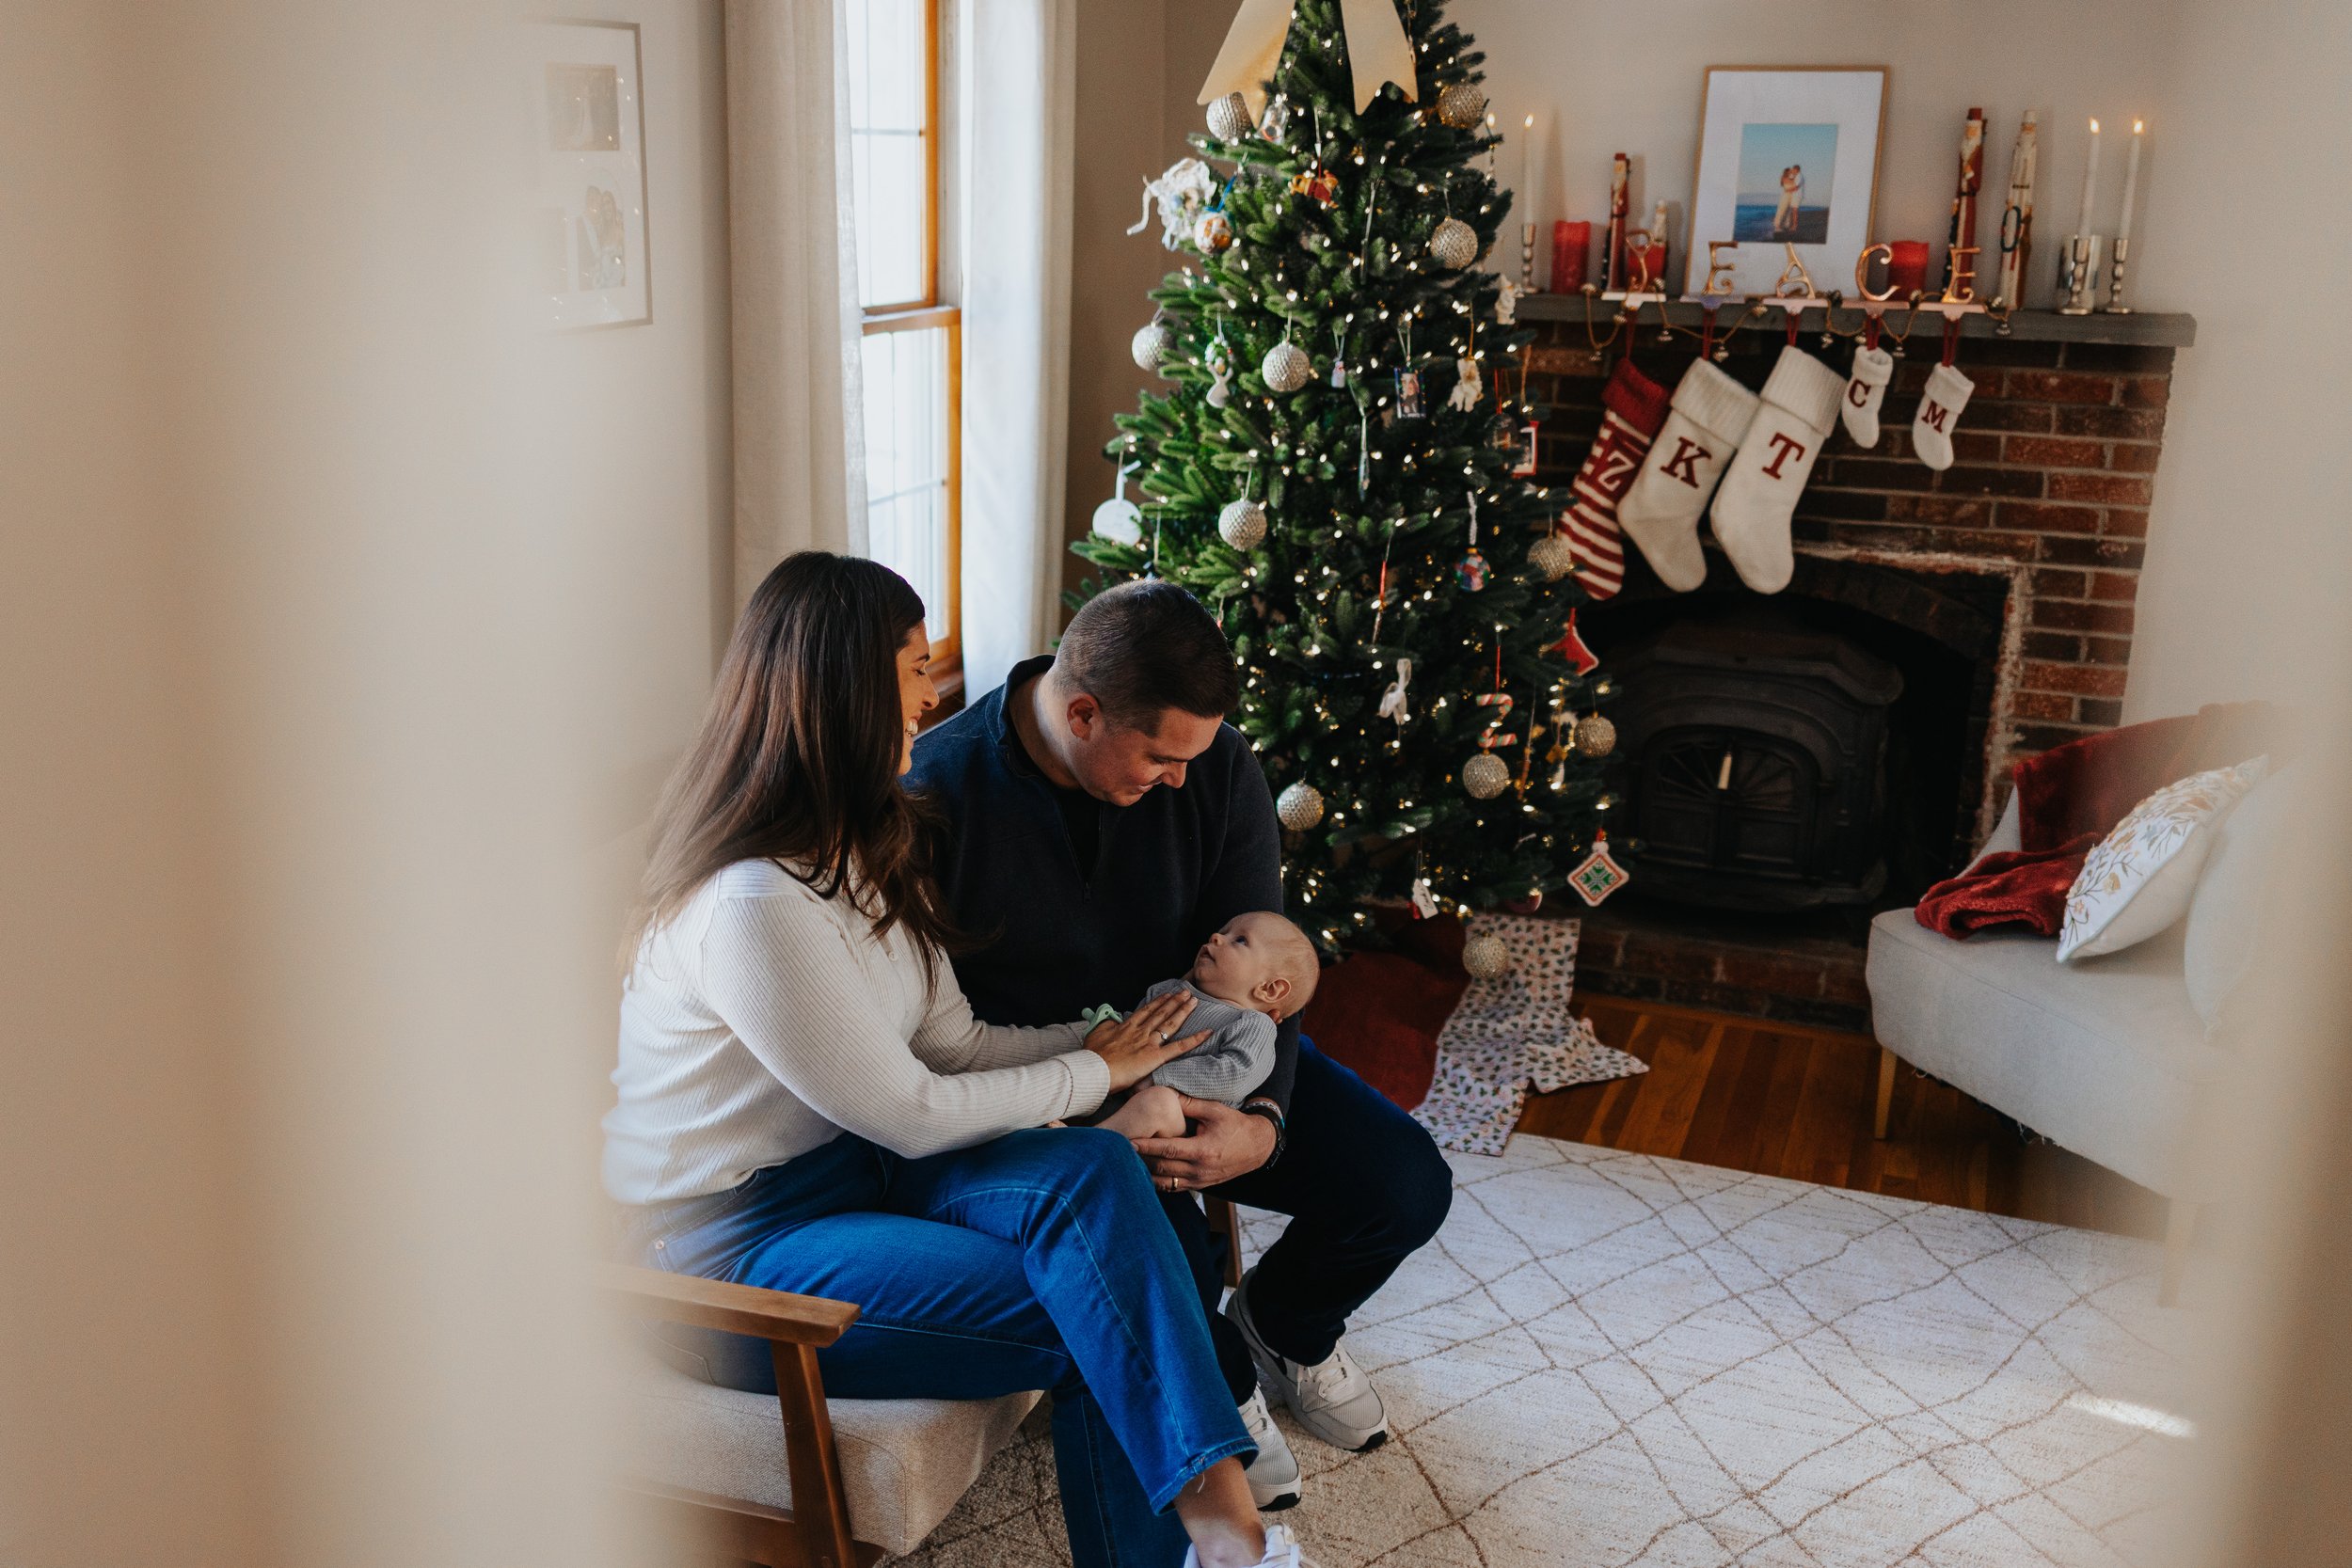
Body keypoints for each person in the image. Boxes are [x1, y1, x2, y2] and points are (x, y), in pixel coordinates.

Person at [602, 552, 1304, 1568]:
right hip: (725, 1248)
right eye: (908, 662)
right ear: (839, 691)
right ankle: (1232, 1545)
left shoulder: (863, 844)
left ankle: (1226, 1544)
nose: (932, 687)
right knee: (1101, 1310)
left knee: (1098, 1171)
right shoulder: (751, 906)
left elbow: (957, 1042)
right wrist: (1099, 1075)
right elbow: (913, 1110)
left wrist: (1120, 1044)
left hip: (861, 1177)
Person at [910, 580, 1455, 1513]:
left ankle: (1284, 1323)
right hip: (1056, 1096)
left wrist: (1265, 1120)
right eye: (1160, 755)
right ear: (1081, 711)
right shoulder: (934, 787)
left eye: (1191, 758)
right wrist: (1095, 1092)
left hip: (1217, 1052)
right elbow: (931, 1033)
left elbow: (1263, 964)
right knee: (1163, 1258)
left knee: (1406, 1183)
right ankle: (1225, 1380)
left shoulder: (1214, 763)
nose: (1177, 779)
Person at [1093, 911, 1321, 1143]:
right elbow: (1131, 1029)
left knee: (1157, 1103)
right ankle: (1070, 1126)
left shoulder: (1253, 1025)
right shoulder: (1170, 990)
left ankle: (1084, 1145)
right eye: (1223, 931)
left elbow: (1235, 1073)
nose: (1215, 937)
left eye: (1240, 940)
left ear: (1269, 989)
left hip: (1177, 1125)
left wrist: (1158, 1078)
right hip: (1118, 1092)